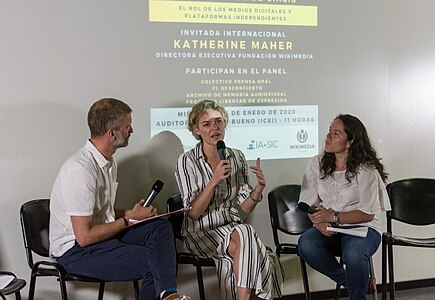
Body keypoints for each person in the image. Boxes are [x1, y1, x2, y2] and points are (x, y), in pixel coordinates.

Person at [49, 98, 189, 300]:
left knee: (159, 226)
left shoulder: (108, 162)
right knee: (154, 264)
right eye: (127, 126)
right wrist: (129, 220)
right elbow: (85, 237)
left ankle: (168, 294)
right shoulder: (80, 170)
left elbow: (101, 213)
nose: (131, 131)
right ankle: (168, 294)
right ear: (111, 133)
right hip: (75, 251)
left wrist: (131, 214)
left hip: (100, 237)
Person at [175, 100, 284, 300]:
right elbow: (193, 212)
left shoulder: (236, 156)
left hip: (232, 230)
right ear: (197, 130)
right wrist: (214, 180)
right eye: (207, 124)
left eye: (218, 122)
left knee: (253, 248)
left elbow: (245, 206)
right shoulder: (187, 160)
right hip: (201, 231)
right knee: (256, 250)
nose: (214, 128)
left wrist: (258, 189)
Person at [297, 114, 391, 300]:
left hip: (363, 229)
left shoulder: (366, 169)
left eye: (336, 133)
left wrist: (332, 217)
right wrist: (317, 222)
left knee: (354, 254)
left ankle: (358, 294)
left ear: (350, 142)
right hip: (331, 228)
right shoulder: (318, 162)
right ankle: (355, 283)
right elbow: (308, 203)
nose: (328, 137)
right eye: (329, 132)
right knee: (306, 243)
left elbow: (367, 214)